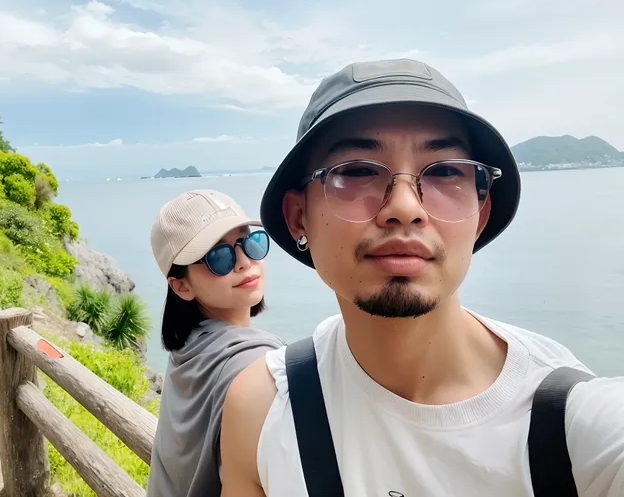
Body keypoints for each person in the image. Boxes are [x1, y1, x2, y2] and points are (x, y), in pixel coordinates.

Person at [219, 59, 624, 496]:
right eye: (357, 170)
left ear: (480, 214)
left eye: (446, 170)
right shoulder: (266, 406)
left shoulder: (574, 421)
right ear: (299, 218)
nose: (406, 207)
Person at [146, 189, 285, 497]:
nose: (243, 262)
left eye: (250, 242)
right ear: (181, 285)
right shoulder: (257, 365)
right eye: (218, 257)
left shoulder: (189, 349)